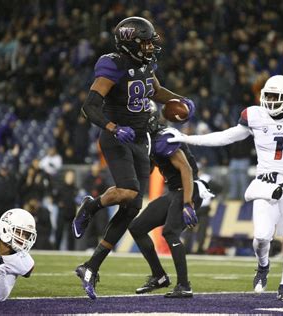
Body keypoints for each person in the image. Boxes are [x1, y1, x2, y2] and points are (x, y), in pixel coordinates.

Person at [168, 75, 283, 302]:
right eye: (267, 95)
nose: (270, 101)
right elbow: (225, 137)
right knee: (261, 239)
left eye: (275, 97)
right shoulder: (255, 116)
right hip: (265, 185)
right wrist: (186, 138)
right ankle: (263, 266)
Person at [71, 17, 195, 299]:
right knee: (127, 191)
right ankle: (92, 205)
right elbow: (89, 107)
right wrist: (113, 127)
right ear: (128, 42)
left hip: (140, 140)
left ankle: (91, 266)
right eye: (145, 41)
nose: (150, 46)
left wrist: (180, 99)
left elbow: (156, 90)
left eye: (151, 41)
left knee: (132, 207)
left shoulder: (147, 63)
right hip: (117, 137)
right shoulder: (112, 64)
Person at [129, 116, 213, 298]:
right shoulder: (151, 140)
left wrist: (188, 203)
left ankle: (184, 285)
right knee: (136, 227)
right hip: (175, 190)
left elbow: (186, 170)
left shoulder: (163, 139)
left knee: (170, 232)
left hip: (189, 188)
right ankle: (159, 276)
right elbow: (149, 168)